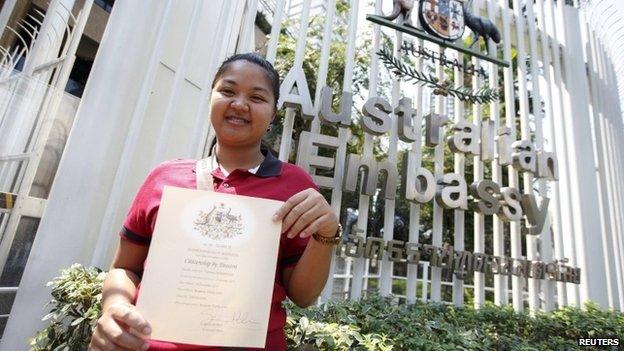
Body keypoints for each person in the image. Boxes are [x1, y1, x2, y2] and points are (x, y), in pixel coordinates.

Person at [89, 53, 340, 351]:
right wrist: (114, 308)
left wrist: (327, 233)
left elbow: (303, 295)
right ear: (211, 98)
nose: (239, 104)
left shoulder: (295, 187)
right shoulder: (165, 177)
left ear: (273, 114)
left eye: (257, 97)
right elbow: (124, 268)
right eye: (228, 91)